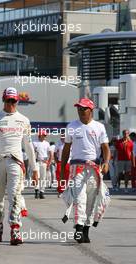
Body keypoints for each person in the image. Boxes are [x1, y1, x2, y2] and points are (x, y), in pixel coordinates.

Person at [0, 87, 38, 246]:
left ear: (17, 101)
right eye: (8, 100)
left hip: (16, 162)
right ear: (3, 100)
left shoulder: (24, 120)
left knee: (15, 195)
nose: (11, 103)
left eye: (14, 100)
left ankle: (15, 230)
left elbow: (28, 146)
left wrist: (34, 169)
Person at [60, 98, 110, 244]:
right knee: (79, 199)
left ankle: (86, 230)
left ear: (91, 110)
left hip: (94, 169)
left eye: (83, 109)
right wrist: (63, 168)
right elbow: (66, 150)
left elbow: (106, 148)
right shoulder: (71, 126)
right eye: (79, 109)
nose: (80, 111)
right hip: (77, 168)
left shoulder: (99, 127)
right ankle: (79, 229)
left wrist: (106, 162)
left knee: (92, 200)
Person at [33, 130, 52, 199]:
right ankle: (36, 190)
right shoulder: (34, 143)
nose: (45, 136)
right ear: (39, 135)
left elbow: (50, 153)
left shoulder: (47, 143)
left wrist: (49, 162)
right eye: (44, 135)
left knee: (43, 178)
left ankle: (42, 192)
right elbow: (32, 153)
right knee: (36, 176)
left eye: (45, 135)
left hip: (44, 162)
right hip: (36, 162)